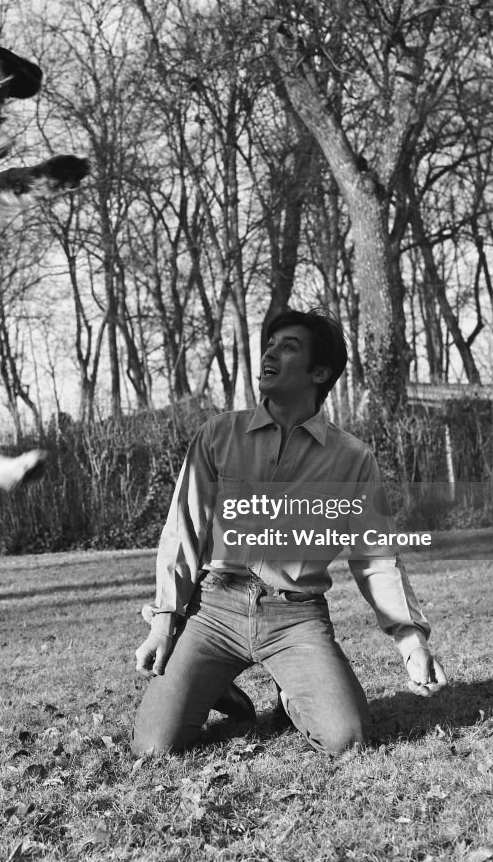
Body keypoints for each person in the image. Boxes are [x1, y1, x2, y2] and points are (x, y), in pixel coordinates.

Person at [132, 308, 447, 756]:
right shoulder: (218, 435)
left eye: (288, 346)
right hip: (215, 608)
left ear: (320, 372)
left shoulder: (352, 460)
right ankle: (217, 687)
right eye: (271, 343)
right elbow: (183, 532)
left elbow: (376, 558)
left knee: (347, 740)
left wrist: (410, 641)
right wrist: (164, 623)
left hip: (296, 615)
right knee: (152, 746)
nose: (270, 353)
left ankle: (289, 692)